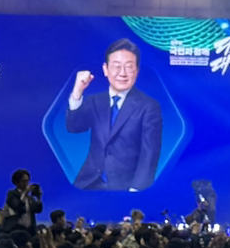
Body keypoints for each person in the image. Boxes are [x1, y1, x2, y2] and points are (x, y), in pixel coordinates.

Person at [67, 38, 164, 191]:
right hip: (89, 183)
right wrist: (78, 91)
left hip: (124, 188)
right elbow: (74, 127)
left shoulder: (149, 107)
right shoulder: (95, 101)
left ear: (137, 70)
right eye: (116, 66)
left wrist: (136, 190)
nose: (122, 73)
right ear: (105, 69)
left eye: (129, 67)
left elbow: (149, 154)